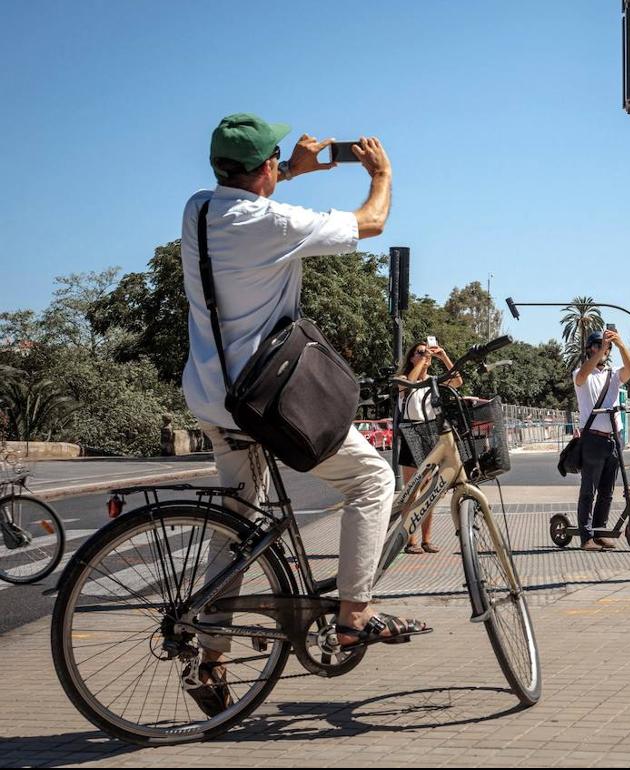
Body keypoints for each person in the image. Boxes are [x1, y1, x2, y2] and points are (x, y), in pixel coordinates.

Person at [180, 114, 424, 715]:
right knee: (374, 479)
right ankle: (353, 616)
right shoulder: (273, 222)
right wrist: (382, 174)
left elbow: (250, 196)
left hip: (213, 396)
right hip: (265, 400)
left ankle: (208, 660)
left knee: (236, 527)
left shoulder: (199, 210)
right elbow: (372, 221)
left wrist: (292, 170)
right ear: (264, 168)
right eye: (275, 164)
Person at [397, 338, 462, 554]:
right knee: (412, 492)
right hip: (410, 433)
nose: (425, 355)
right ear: (411, 357)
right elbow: (410, 385)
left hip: (429, 433)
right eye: (419, 352)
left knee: (429, 492)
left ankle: (426, 539)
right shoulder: (403, 379)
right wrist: (421, 364)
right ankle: (410, 539)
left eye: (426, 352)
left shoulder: (433, 381)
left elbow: (457, 381)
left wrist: (443, 356)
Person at [573, 329, 630, 550]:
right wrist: (600, 351)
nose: (603, 350)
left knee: (607, 490)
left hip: (613, 438)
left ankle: (600, 530)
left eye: (605, 347)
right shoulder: (581, 375)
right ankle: (586, 536)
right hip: (592, 438)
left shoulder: (613, 375)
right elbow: (583, 374)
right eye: (598, 346)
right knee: (588, 489)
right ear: (590, 348)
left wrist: (619, 343)